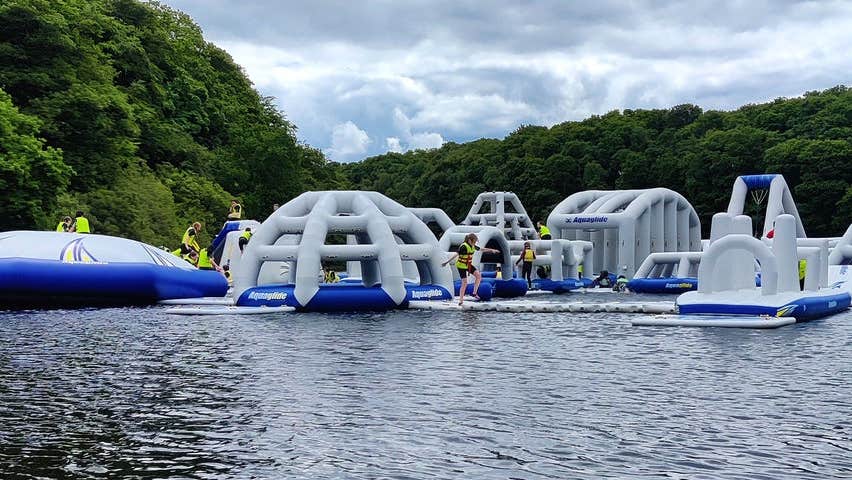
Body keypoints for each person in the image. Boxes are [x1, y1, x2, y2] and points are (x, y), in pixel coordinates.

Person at [442, 233, 500, 305]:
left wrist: (492, 250)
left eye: (475, 242)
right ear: (469, 240)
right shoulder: (464, 247)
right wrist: (446, 262)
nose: (475, 243)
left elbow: (481, 249)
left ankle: (474, 293)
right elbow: (456, 254)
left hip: (468, 265)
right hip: (461, 266)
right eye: (474, 242)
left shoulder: (472, 246)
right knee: (464, 282)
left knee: (478, 276)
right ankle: (461, 300)